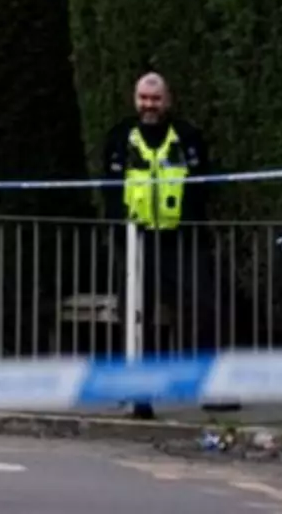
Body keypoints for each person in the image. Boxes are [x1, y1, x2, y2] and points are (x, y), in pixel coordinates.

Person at [102, 71, 212, 418]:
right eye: (143, 98)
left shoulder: (188, 137)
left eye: (155, 99)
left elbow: (202, 185)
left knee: (203, 307)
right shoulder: (120, 137)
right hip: (136, 240)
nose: (149, 105)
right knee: (136, 315)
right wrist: (119, 231)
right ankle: (140, 392)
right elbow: (109, 189)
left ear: (168, 100)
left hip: (180, 238)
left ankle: (206, 385)